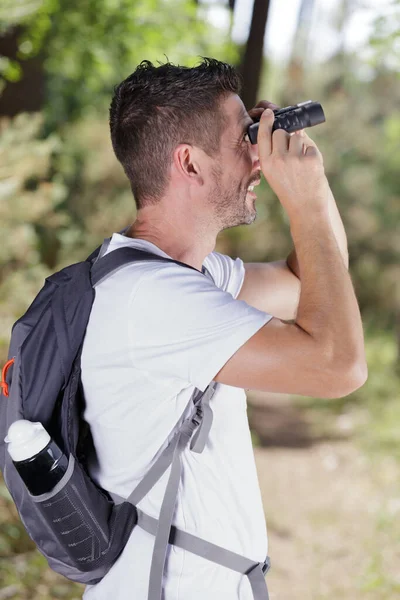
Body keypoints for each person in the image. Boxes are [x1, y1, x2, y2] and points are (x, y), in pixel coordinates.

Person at [80, 57, 367, 600]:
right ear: (188, 163)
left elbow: (306, 282)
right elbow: (341, 366)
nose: (258, 157)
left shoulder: (182, 275)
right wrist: (300, 203)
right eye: (243, 141)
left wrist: (314, 184)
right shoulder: (153, 299)